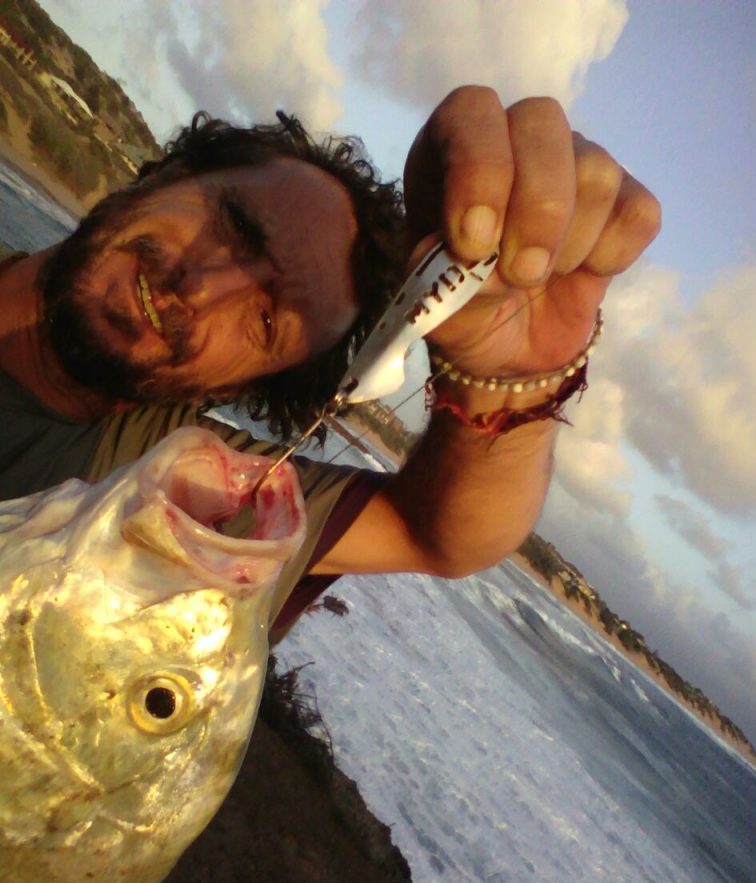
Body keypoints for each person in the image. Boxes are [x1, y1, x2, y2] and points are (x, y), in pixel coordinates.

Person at [0, 87, 660, 641]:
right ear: (170, 174)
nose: (203, 287)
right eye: (234, 225)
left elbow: (439, 535)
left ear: (242, 386)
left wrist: (513, 380)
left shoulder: (167, 491)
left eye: (264, 321)